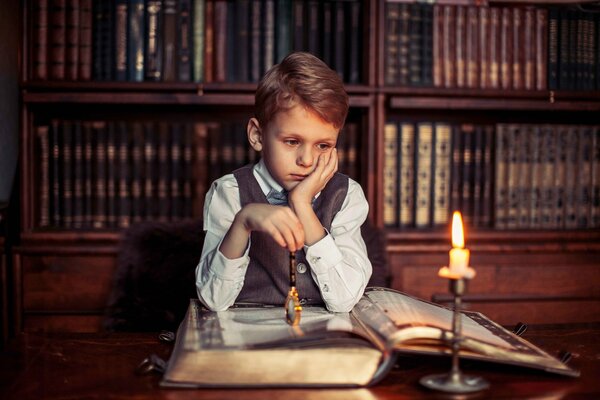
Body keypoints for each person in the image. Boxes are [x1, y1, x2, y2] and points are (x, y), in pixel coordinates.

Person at [195, 52, 372, 312]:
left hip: (321, 341)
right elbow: (213, 300)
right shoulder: (230, 191)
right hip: (246, 338)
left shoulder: (347, 195)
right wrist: (243, 221)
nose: (307, 159)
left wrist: (302, 204)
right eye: (292, 141)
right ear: (257, 135)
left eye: (323, 145)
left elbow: (344, 299)